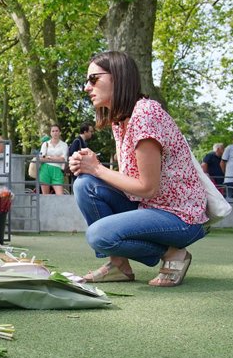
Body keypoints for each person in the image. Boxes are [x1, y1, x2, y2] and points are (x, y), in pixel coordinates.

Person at [70, 51, 206, 287]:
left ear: (118, 77)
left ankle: (173, 253)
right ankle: (119, 265)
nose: (86, 87)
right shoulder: (120, 120)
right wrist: (89, 166)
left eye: (93, 79)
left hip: (180, 217)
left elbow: (148, 187)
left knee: (99, 235)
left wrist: (98, 168)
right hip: (149, 207)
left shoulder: (145, 113)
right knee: (84, 184)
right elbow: (132, 180)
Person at [38, 125, 69, 195]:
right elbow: (41, 158)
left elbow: (63, 159)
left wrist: (48, 157)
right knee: (45, 196)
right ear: (50, 133)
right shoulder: (45, 144)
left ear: (60, 132)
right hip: (45, 169)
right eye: (53, 131)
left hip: (57, 170)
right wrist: (56, 157)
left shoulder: (64, 145)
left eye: (57, 131)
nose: (55, 133)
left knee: (60, 195)